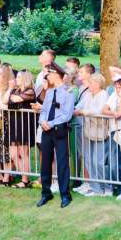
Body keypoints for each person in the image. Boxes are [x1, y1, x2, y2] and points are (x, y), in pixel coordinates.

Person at [36, 64, 74, 208]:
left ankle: (65, 195)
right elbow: (44, 110)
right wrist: (42, 121)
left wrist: (50, 123)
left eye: (49, 75)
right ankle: (46, 193)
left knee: (62, 162)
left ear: (56, 75)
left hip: (59, 130)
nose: (47, 77)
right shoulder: (50, 92)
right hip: (46, 130)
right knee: (45, 162)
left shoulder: (68, 92)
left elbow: (67, 114)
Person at [7, 70, 37, 188]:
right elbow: (6, 100)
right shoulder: (15, 90)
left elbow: (15, 100)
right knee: (13, 154)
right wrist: (10, 90)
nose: (16, 79)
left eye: (19, 77)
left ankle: (25, 180)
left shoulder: (30, 91)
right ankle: (25, 176)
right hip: (14, 123)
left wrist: (12, 96)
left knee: (23, 153)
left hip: (24, 124)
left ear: (25, 78)